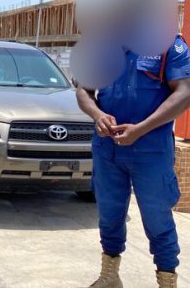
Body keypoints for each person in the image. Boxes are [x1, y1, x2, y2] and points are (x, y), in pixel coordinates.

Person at [76, 36, 190, 288]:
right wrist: (98, 115)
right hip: (108, 150)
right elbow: (83, 90)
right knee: (109, 215)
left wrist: (141, 129)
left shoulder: (169, 44)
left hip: (151, 152)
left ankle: (167, 281)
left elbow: (184, 92)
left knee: (157, 219)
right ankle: (109, 277)